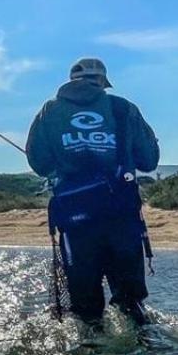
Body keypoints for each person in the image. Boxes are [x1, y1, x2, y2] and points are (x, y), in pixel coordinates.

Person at [26, 56, 160, 328]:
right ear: (102, 82)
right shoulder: (123, 109)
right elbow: (149, 160)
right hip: (122, 217)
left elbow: (39, 164)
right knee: (131, 306)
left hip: (76, 222)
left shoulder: (49, 111)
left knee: (86, 314)